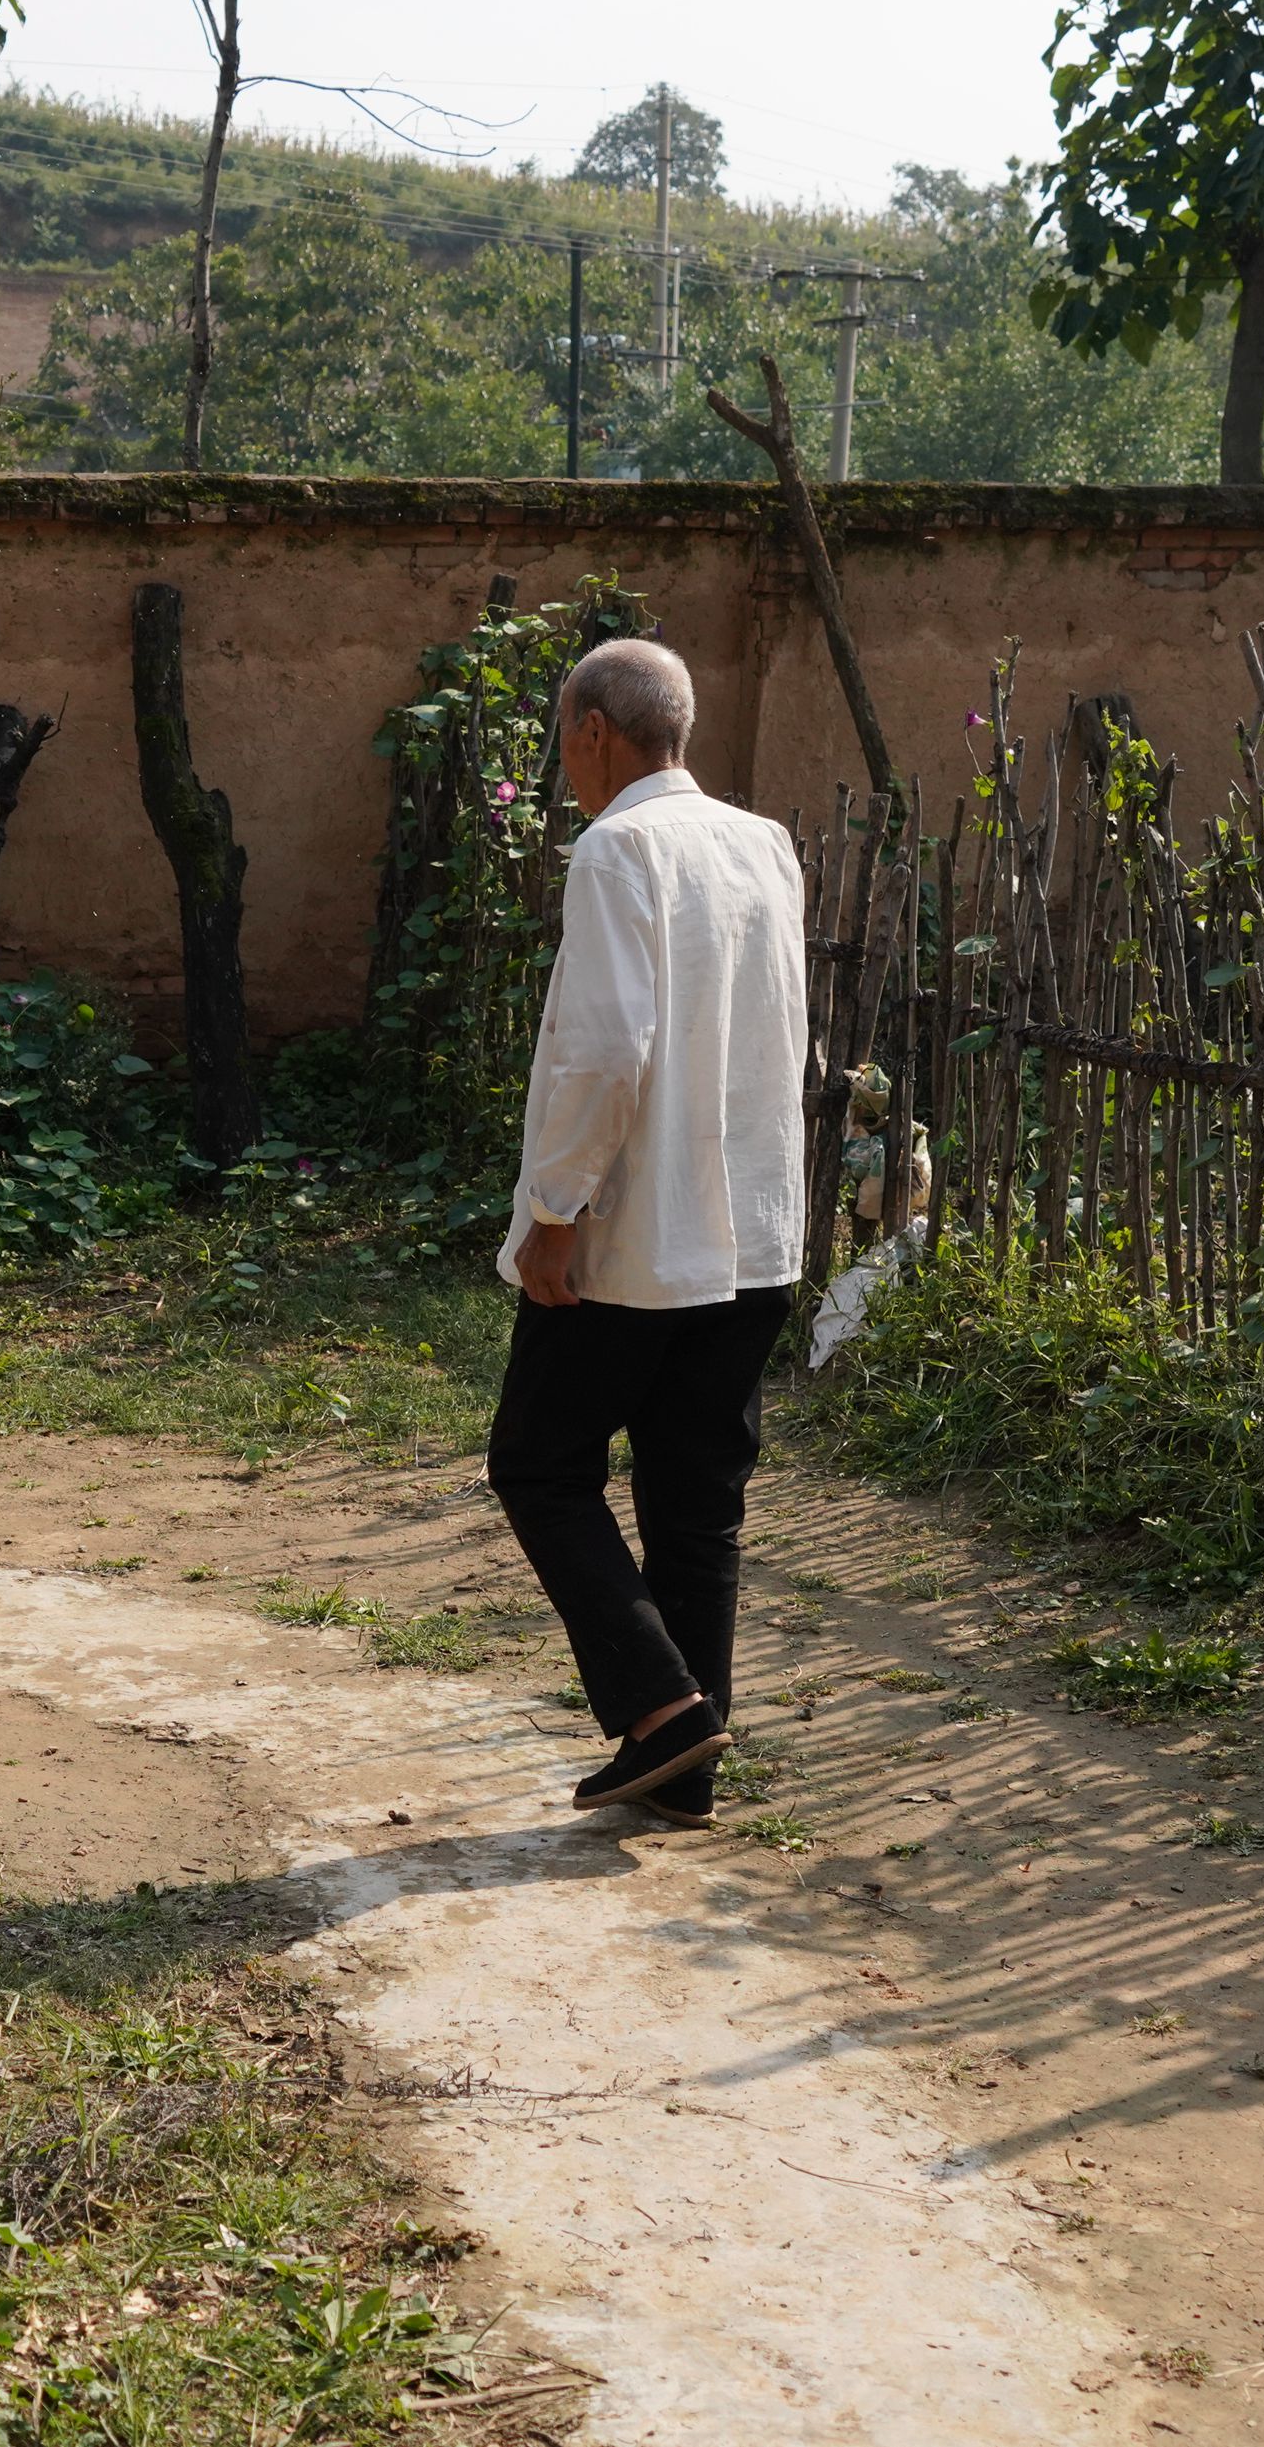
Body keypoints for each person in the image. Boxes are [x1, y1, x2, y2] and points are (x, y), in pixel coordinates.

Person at [487, 635, 808, 1823]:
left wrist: (554, 1211)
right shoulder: (761, 843)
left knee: (540, 1463)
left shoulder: (618, 845)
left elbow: (610, 1050)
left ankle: (663, 1709)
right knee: (695, 1495)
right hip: (753, 1235)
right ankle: (686, 1770)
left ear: (590, 731)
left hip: (634, 1240)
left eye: (562, 735)